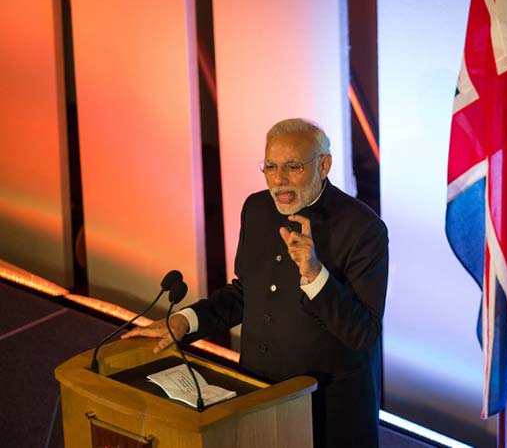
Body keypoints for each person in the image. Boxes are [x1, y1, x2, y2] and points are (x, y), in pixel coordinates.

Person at [122, 118, 389, 448]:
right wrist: (185, 321)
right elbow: (244, 294)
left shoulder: (364, 229)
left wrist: (315, 274)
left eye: (293, 167)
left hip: (327, 407)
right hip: (257, 392)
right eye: (270, 167)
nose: (279, 180)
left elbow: (363, 333)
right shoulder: (257, 208)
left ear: (324, 165)